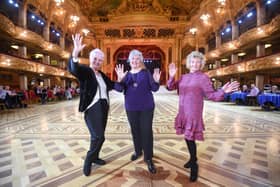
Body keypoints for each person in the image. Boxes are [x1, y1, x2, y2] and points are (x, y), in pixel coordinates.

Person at [166, 51, 239, 182]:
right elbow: (170, 87)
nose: (195, 64)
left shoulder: (203, 78)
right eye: (193, 61)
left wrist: (223, 91)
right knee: (187, 138)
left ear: (201, 64)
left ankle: (194, 165)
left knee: (190, 137)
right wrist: (171, 76)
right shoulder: (183, 76)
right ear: (189, 63)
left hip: (193, 112)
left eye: (198, 62)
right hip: (182, 111)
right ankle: (192, 159)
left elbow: (211, 95)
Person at [68, 33, 116, 176]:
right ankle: (89, 159)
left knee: (96, 136)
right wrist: (75, 53)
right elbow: (74, 69)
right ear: (90, 59)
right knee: (99, 137)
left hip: (103, 107)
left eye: (100, 60)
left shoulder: (102, 75)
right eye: (95, 59)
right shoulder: (86, 72)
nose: (97, 61)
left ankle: (95, 157)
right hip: (92, 108)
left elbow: (114, 85)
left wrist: (124, 80)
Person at [114, 49, 161, 174]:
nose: (135, 61)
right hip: (131, 107)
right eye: (133, 59)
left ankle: (148, 157)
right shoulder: (127, 75)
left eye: (137, 59)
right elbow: (119, 89)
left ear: (141, 61)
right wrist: (119, 79)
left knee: (146, 131)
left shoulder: (146, 73)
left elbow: (155, 88)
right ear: (130, 61)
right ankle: (138, 151)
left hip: (146, 107)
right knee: (135, 130)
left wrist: (156, 80)